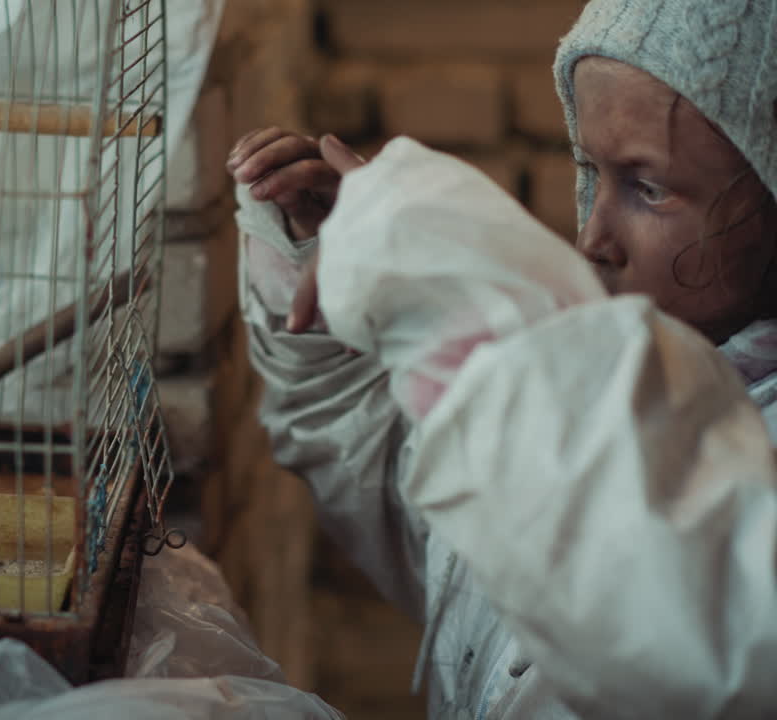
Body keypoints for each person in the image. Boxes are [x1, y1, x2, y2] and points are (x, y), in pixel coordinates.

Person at [228, 0, 777, 716]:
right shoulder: (612, 366)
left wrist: (481, 313)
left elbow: (695, 617)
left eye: (649, 187)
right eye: (591, 168)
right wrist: (349, 306)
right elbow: (418, 498)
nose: (594, 238)